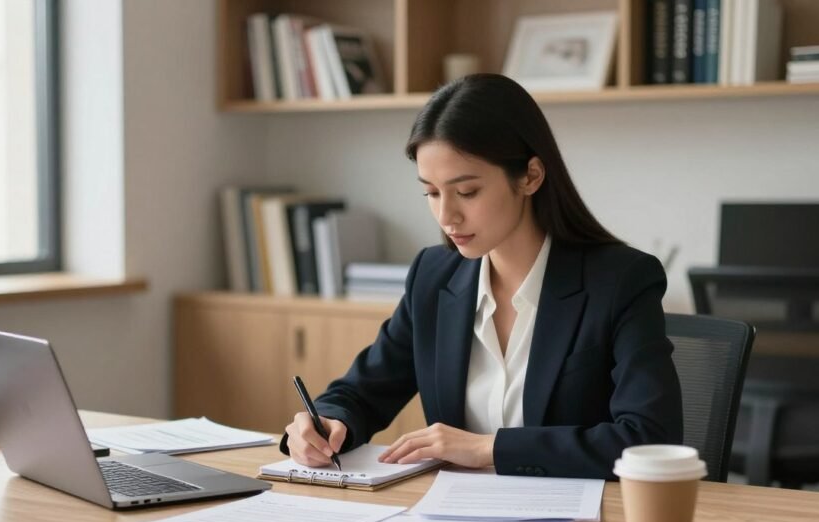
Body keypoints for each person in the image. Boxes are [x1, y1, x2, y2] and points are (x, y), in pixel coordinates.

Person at [281, 73, 682, 479]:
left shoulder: (620, 281)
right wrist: (328, 423)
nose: (446, 216)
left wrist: (488, 448)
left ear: (530, 176)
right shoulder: (434, 277)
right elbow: (361, 392)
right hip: (457, 521)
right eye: (432, 193)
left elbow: (649, 439)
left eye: (467, 192)